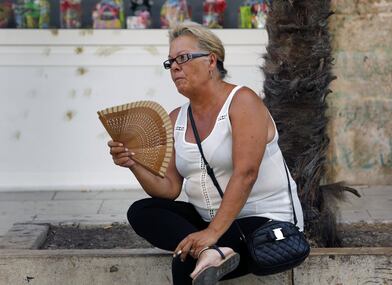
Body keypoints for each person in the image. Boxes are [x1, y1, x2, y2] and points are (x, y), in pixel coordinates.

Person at [107, 22, 304, 285]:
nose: (175, 67)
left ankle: (211, 249)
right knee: (142, 211)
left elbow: (246, 173)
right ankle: (211, 253)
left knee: (185, 262)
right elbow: (168, 189)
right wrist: (133, 163)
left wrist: (212, 232)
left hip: (264, 223)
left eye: (183, 58)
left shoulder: (242, 101)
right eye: (170, 62)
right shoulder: (176, 119)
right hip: (210, 223)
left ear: (211, 61)